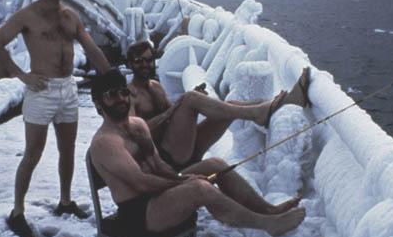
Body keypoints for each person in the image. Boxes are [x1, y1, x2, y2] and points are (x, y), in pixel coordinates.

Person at [89, 69, 305, 237]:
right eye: (111, 95)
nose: (121, 99)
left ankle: (268, 210)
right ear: (98, 104)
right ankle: (267, 224)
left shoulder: (138, 125)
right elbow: (141, 183)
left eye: (123, 92)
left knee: (215, 164)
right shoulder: (105, 143)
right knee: (199, 188)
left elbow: (159, 165)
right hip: (140, 214)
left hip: (158, 196)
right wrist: (183, 182)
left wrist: (180, 177)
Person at [0, 0, 111, 237]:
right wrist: (23, 76)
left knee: (68, 150)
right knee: (33, 153)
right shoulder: (26, 16)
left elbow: (92, 49)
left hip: (67, 88)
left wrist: (112, 76)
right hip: (41, 90)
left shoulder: (70, 16)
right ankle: (17, 212)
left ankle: (65, 202)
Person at [126, 41, 311, 171]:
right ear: (130, 64)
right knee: (189, 98)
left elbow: (171, 117)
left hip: (184, 150)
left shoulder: (156, 87)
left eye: (149, 59)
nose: (145, 64)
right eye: (139, 61)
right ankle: (260, 113)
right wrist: (178, 107)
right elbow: (134, 133)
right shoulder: (130, 95)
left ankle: (284, 102)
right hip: (165, 157)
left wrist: (186, 103)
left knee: (230, 107)